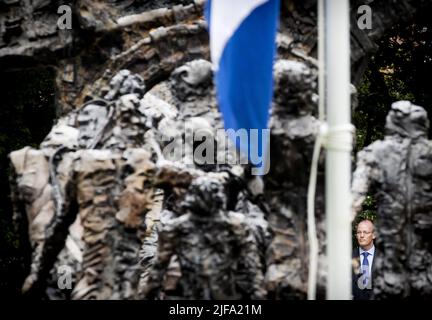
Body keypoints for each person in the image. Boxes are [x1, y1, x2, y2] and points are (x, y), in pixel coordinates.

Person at [352, 219, 376, 300]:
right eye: (359, 232)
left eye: (365, 232)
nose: (361, 235)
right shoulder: (349, 257)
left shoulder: (382, 257)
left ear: (373, 235)